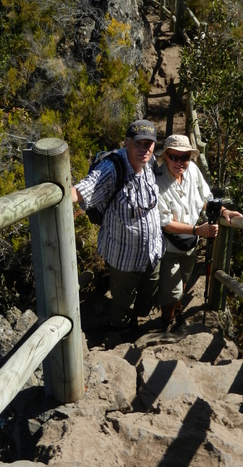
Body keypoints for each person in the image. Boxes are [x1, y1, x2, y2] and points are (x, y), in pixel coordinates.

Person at [71, 119, 164, 334]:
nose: (144, 149)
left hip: (152, 252)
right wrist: (56, 195)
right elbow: (83, 189)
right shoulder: (113, 168)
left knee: (146, 299)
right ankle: (120, 333)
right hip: (124, 258)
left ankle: (137, 323)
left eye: (149, 143)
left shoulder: (150, 163)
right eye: (139, 143)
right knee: (123, 304)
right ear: (127, 142)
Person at [156, 134, 242, 331]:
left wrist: (223, 211)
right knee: (172, 289)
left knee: (184, 278)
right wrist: (198, 230)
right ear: (165, 156)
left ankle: (177, 310)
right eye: (174, 157)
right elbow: (165, 223)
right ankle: (167, 324)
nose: (179, 162)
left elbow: (205, 199)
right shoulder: (158, 181)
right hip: (168, 245)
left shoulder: (193, 171)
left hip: (190, 243)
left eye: (184, 157)